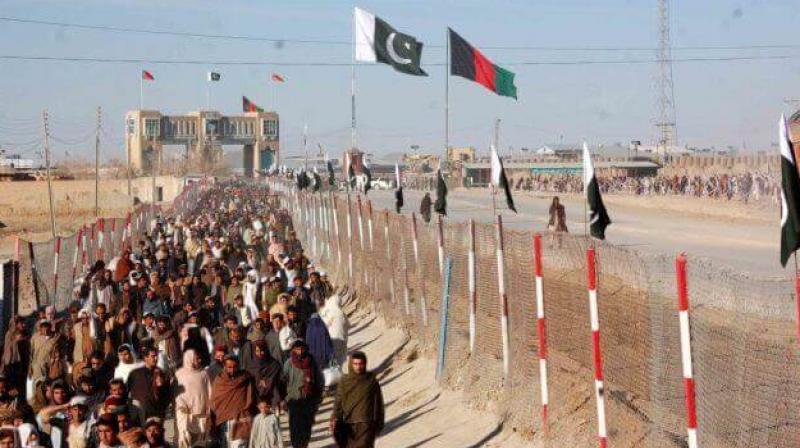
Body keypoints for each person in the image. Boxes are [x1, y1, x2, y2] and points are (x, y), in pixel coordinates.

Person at [331, 352, 385, 448]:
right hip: (349, 425)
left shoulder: (371, 380)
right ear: (351, 365)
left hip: (366, 423)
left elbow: (378, 402)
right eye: (355, 364)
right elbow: (338, 403)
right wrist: (335, 417)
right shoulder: (344, 382)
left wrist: (379, 422)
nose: (358, 367)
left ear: (365, 364)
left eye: (361, 364)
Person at [210, 355, 256, 448]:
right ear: (224, 367)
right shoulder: (219, 381)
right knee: (227, 444)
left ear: (238, 366)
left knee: (240, 444)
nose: (232, 370)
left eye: (235, 367)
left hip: (242, 418)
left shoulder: (246, 378)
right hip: (225, 420)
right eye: (229, 367)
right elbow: (215, 400)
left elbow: (252, 397)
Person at [283, 340, 322, 448]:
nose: (300, 351)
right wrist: (284, 398)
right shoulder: (289, 363)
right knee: (295, 427)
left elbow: (319, 379)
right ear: (293, 350)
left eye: (301, 349)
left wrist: (318, 395)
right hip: (293, 399)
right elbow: (283, 380)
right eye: (297, 349)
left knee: (306, 427)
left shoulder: (311, 361)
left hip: (308, 399)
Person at [174, 350, 211, 448]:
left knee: (201, 442)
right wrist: (183, 406)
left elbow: (209, 391)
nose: (199, 360)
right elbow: (177, 394)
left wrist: (209, 408)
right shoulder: (179, 374)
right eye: (196, 359)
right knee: (185, 439)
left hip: (201, 414)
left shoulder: (204, 374)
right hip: (184, 414)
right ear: (189, 359)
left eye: (199, 358)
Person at [319, 294, 349, 366]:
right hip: (342, 339)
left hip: (331, 339)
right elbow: (348, 325)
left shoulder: (326, 312)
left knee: (332, 359)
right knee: (339, 358)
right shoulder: (342, 313)